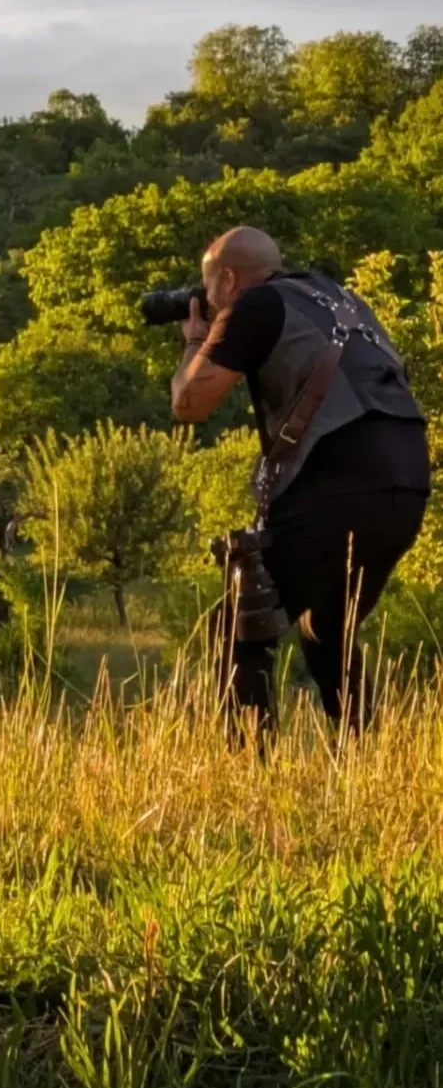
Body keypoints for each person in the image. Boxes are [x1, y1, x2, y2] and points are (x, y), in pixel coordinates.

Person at [171, 225, 430, 735]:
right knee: (326, 629)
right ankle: (362, 756)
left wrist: (196, 341)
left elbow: (189, 403)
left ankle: (251, 766)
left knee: (239, 626)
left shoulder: (255, 304)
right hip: (408, 484)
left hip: (339, 482)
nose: (210, 300)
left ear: (229, 279)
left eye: (211, 288)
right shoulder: (344, 302)